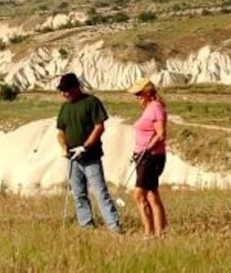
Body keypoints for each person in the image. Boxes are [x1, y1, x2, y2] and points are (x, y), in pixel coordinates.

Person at [55, 72, 122, 233]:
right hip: (72, 158)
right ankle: (86, 225)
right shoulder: (65, 107)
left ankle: (114, 226)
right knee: (79, 194)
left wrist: (84, 147)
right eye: (62, 91)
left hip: (90, 157)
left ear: (75, 87)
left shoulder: (91, 102)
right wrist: (64, 148)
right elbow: (60, 131)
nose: (64, 94)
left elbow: (99, 127)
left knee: (100, 192)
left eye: (66, 90)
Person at [127, 77, 168, 238]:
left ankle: (149, 233)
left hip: (151, 157)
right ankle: (159, 233)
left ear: (147, 93)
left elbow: (161, 134)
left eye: (139, 94)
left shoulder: (155, 108)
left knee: (139, 194)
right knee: (151, 194)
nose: (136, 97)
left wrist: (146, 149)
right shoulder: (150, 108)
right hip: (144, 156)